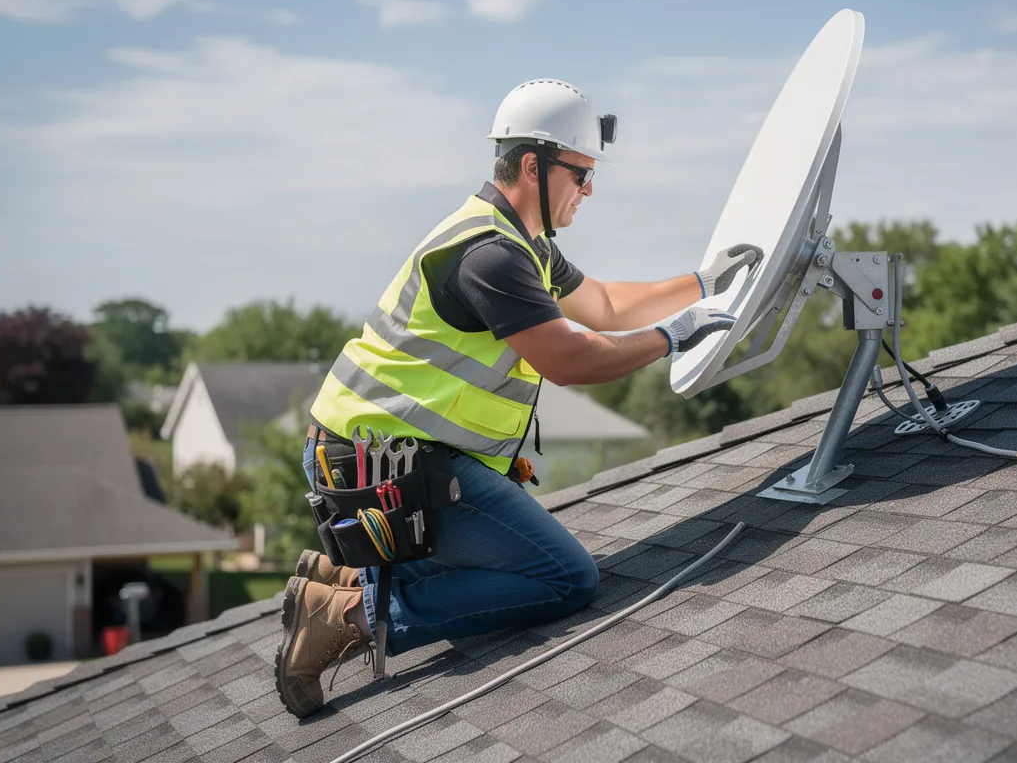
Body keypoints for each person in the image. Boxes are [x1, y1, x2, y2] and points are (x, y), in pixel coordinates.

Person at [274, 78, 763, 717]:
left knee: (511, 562)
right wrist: (670, 340)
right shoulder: (491, 255)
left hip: (385, 454)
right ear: (533, 166)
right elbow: (569, 358)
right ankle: (348, 612)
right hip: (378, 462)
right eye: (581, 174)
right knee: (565, 578)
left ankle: (349, 577)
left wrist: (702, 282)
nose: (590, 191)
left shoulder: (524, 245)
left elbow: (607, 305)